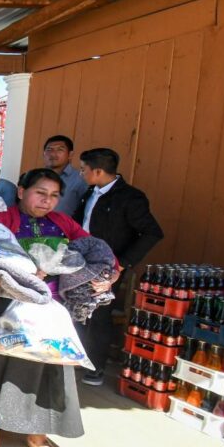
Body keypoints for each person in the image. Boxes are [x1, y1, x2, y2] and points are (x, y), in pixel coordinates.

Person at [0, 168, 106, 447]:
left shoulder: (63, 223)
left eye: (54, 195)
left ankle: (38, 436)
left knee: (48, 369)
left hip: (47, 309)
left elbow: (95, 248)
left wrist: (107, 273)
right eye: (40, 193)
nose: (47, 201)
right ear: (21, 191)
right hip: (2, 306)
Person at [75, 148, 163, 385]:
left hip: (108, 265)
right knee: (76, 308)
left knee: (99, 313)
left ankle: (95, 367)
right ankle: (75, 357)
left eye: (83, 169)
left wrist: (122, 264)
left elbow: (152, 233)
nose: (81, 174)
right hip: (80, 260)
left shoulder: (130, 197)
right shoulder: (90, 192)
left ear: (98, 171)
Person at [41, 135, 87, 216]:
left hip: (65, 224)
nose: (53, 154)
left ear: (70, 155)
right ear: (44, 153)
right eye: (49, 149)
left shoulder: (81, 179)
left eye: (60, 150)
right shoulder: (35, 176)